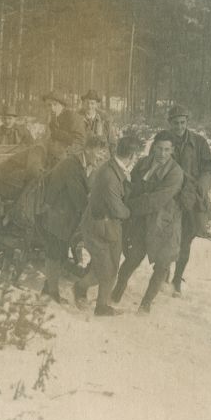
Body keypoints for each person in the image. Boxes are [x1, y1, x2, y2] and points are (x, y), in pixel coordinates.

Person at [111, 131, 187, 313]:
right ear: (153, 148)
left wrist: (128, 207)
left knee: (161, 265)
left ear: (172, 151)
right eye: (159, 149)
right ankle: (115, 294)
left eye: (167, 150)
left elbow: (156, 200)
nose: (162, 153)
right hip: (141, 221)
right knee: (132, 258)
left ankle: (146, 304)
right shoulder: (144, 163)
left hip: (164, 224)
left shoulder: (175, 172)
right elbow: (131, 185)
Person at [72, 135, 141, 316]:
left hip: (108, 226)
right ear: (132, 155)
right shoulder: (110, 175)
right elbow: (117, 209)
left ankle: (95, 300)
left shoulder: (116, 168)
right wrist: (131, 211)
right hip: (99, 226)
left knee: (108, 268)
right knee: (107, 270)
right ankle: (85, 293)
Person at [40, 134, 109, 302]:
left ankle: (49, 288)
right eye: (99, 153)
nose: (101, 158)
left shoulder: (82, 164)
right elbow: (79, 198)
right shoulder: (71, 166)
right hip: (58, 216)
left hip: (64, 215)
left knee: (58, 252)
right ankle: (51, 292)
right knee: (55, 254)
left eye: (103, 154)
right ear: (88, 149)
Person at [166, 104, 211, 294]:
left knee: (186, 240)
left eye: (182, 122)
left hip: (191, 198)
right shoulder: (162, 140)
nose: (179, 127)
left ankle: (177, 279)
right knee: (166, 238)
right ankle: (162, 274)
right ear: (169, 123)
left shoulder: (199, 142)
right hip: (169, 198)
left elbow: (209, 168)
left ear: (187, 122)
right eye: (175, 123)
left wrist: (202, 186)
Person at [43, 90, 86, 167]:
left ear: (62, 106)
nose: (52, 108)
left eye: (55, 104)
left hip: (72, 159)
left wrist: (64, 153)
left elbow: (80, 142)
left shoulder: (72, 117)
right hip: (54, 158)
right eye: (49, 105)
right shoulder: (52, 120)